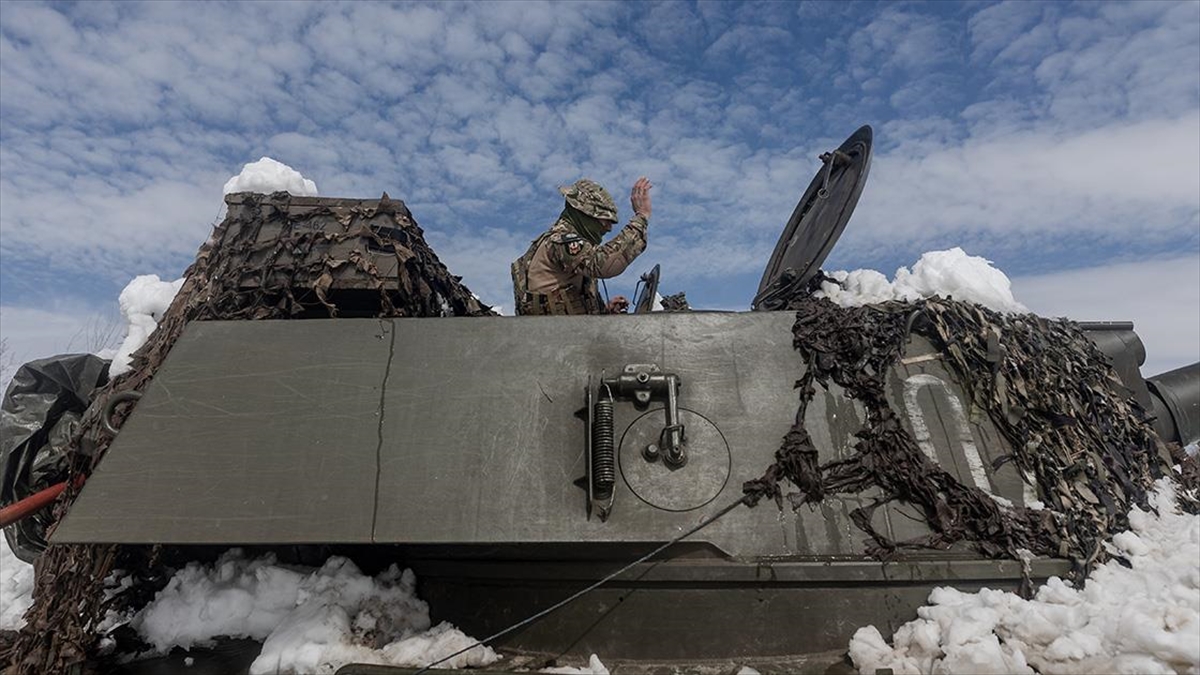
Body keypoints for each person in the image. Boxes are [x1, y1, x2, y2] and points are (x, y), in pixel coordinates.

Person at [511, 177, 652, 315]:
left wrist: (605, 310)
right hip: (554, 335)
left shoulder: (569, 245)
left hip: (564, 333)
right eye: (604, 220)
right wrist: (641, 217)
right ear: (583, 214)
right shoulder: (560, 241)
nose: (608, 228)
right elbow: (603, 265)